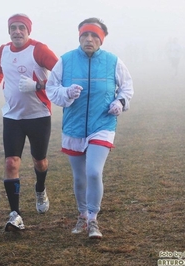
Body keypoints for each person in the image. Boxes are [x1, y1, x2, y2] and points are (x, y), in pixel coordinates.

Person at [46, 17, 134, 239]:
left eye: (94, 35)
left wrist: (120, 102)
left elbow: (127, 87)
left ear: (101, 39)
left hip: (102, 124)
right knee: (79, 177)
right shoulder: (65, 60)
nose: (89, 39)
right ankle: (82, 215)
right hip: (74, 127)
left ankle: (93, 219)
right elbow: (51, 88)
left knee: (93, 171)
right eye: (85, 35)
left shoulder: (113, 61)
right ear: (79, 37)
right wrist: (67, 93)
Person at [0, 13, 58, 231]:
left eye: (21, 28)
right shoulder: (4, 50)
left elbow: (62, 73)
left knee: (40, 162)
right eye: (13, 28)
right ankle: (15, 214)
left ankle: (40, 189)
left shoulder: (39, 49)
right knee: (11, 163)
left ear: (28, 31)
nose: (17, 31)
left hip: (38, 115)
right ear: (9, 31)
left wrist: (39, 85)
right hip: (12, 116)